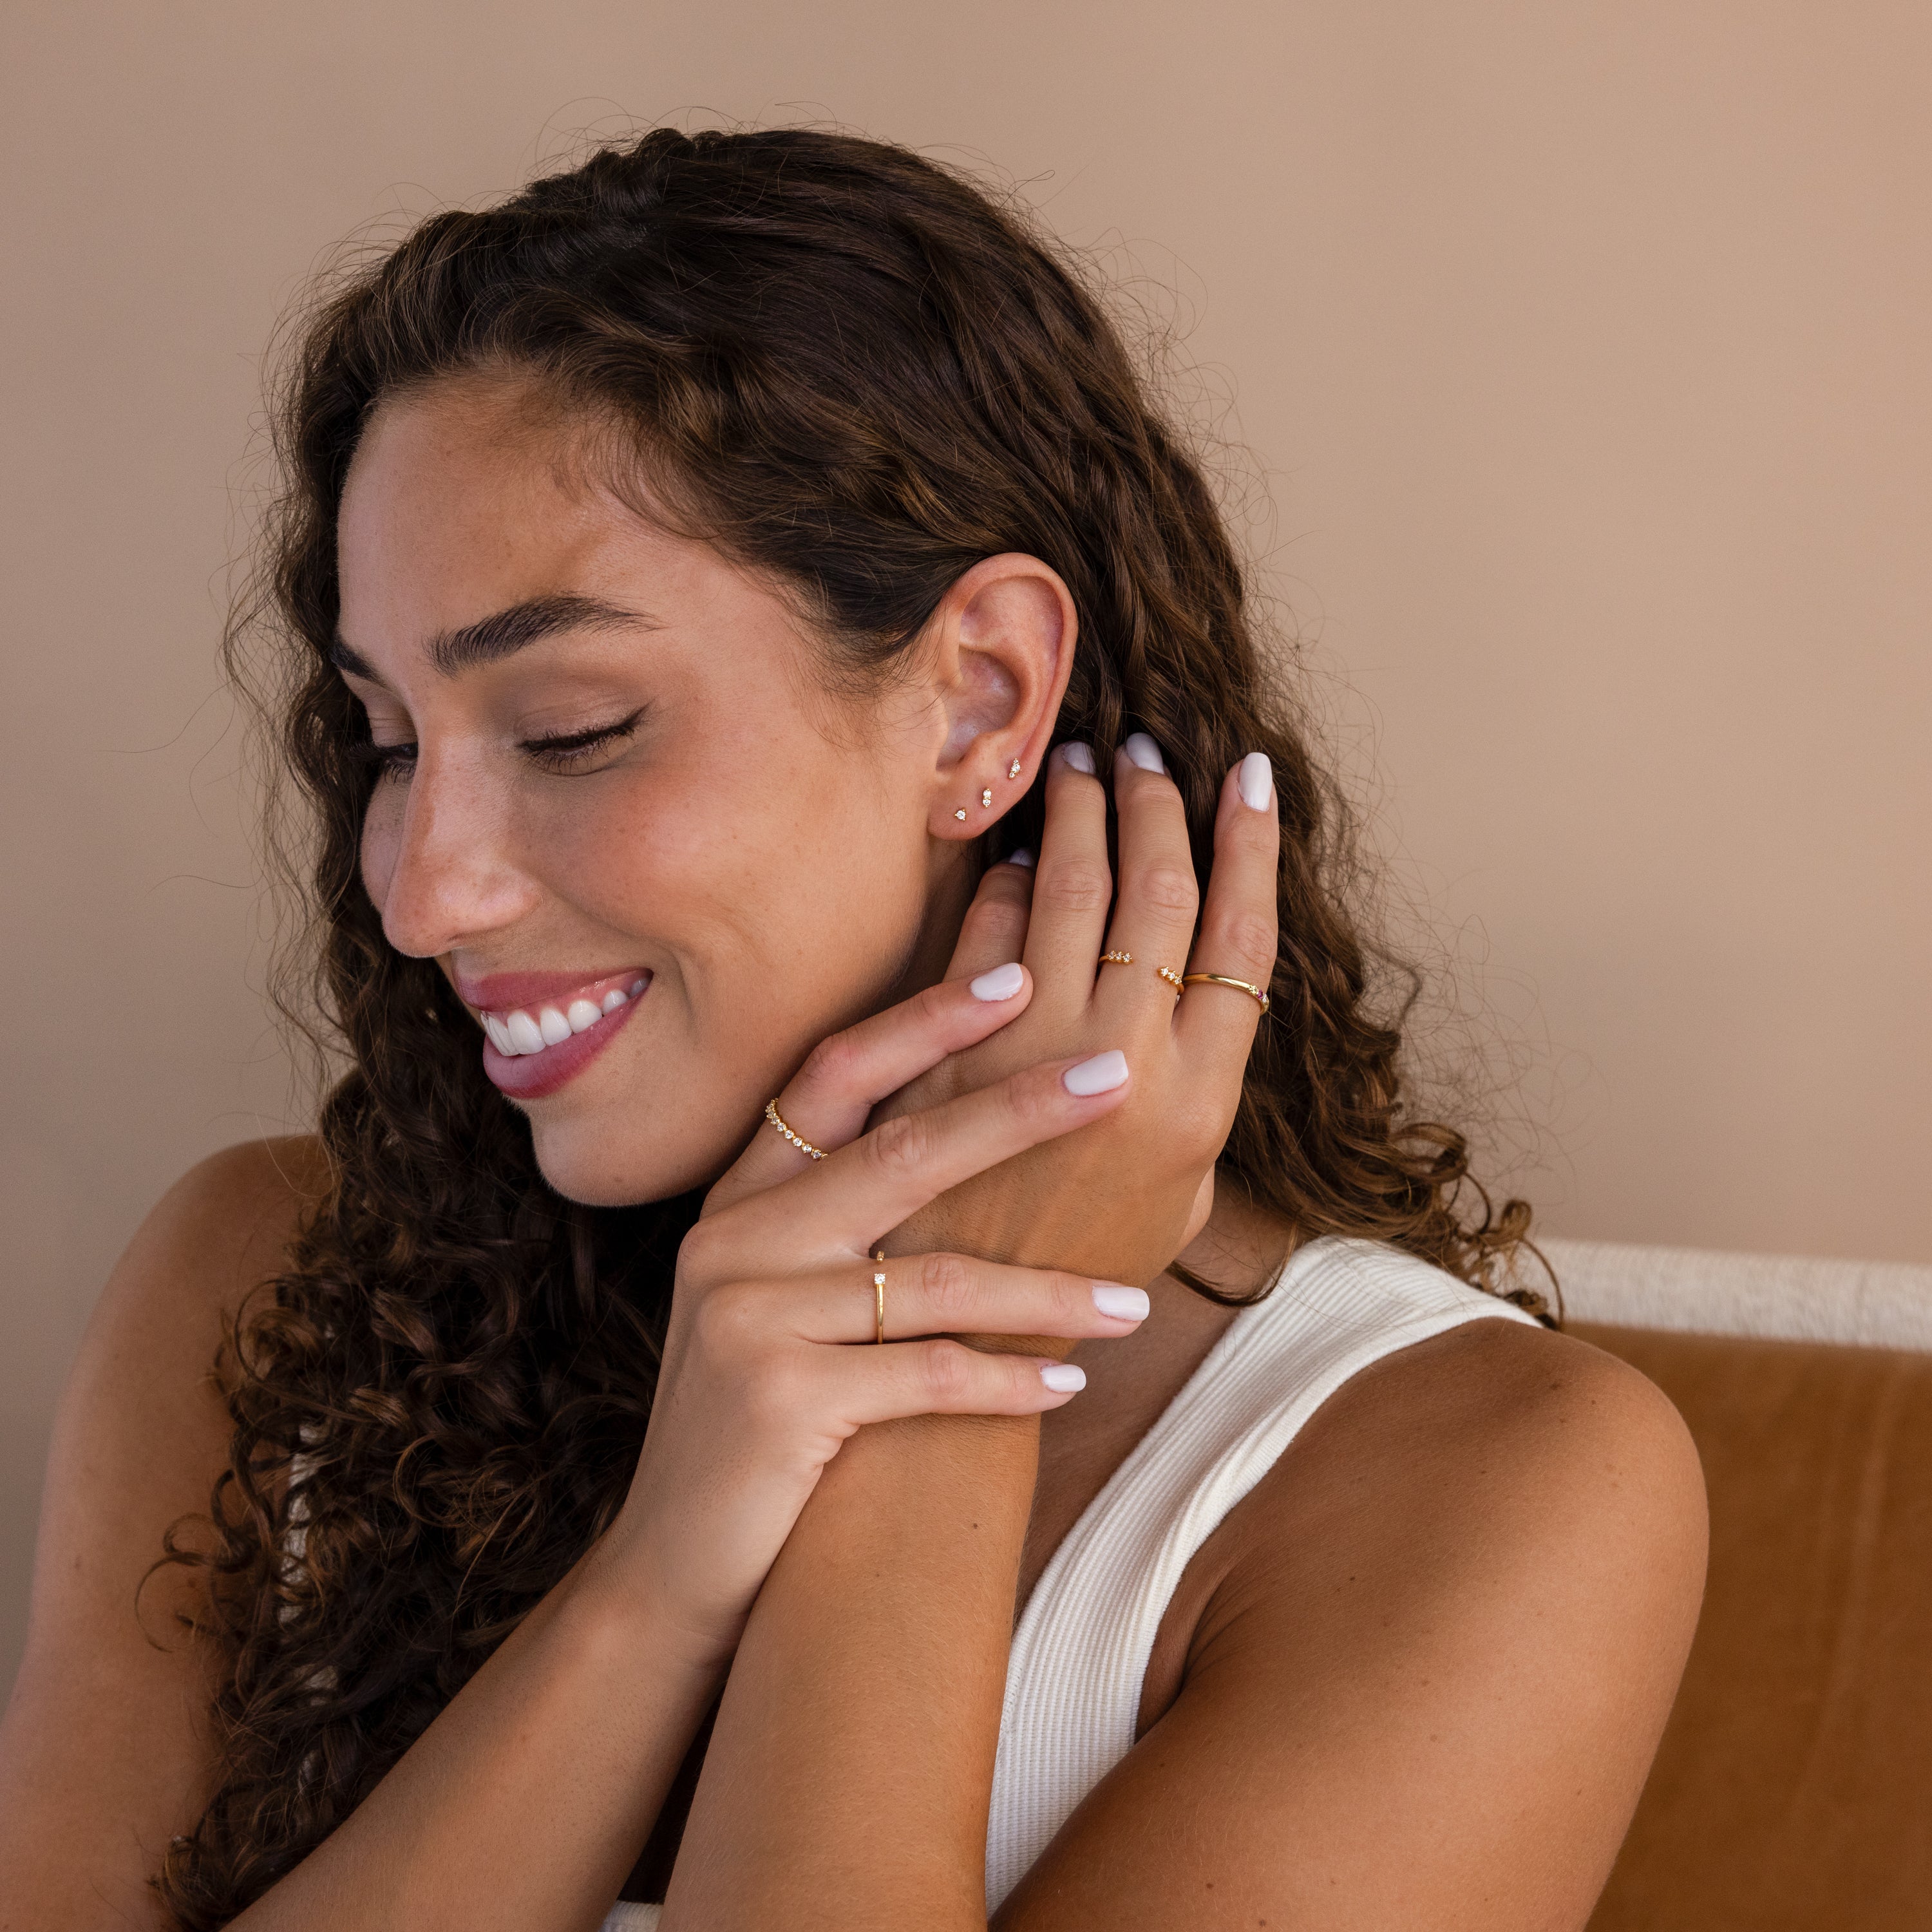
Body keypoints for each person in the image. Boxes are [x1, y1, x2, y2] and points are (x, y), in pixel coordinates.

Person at [0, 128, 1707, 1931]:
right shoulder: (259, 1289)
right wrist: (664, 1567)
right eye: (392, 742)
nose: (426, 895)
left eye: (573, 728)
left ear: (977, 702)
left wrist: (938, 1384)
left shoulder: (1480, 1487)